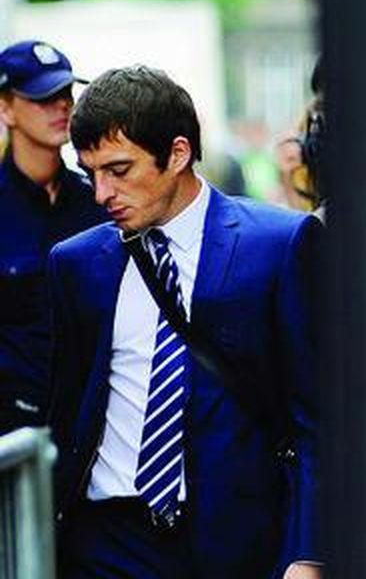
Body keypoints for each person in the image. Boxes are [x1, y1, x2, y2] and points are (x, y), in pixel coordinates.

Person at [48, 66, 320, 578]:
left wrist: (309, 553)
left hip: (236, 536)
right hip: (107, 540)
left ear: (177, 154)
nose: (102, 193)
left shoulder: (277, 245)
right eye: (90, 173)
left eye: (119, 170)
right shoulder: (77, 263)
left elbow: (316, 417)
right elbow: (68, 407)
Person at [0, 41, 107, 434]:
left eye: (65, 95)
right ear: (5, 108)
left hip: (90, 426)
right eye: (42, 97)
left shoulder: (99, 202)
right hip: (13, 435)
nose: (61, 106)